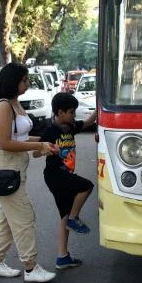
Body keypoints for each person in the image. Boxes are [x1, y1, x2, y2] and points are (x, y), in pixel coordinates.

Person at [0, 62, 59, 283]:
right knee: (24, 217)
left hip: (15, 165)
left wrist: (44, 142)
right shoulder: (4, 105)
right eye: (24, 80)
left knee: (6, 219)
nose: (27, 84)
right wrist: (39, 146)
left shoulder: (14, 103)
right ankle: (31, 267)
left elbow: (22, 138)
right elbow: (6, 143)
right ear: (13, 81)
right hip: (4, 164)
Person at [38, 92, 97, 270]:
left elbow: (87, 122)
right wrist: (46, 149)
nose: (73, 115)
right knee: (86, 186)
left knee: (64, 213)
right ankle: (74, 217)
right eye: (71, 112)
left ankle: (62, 256)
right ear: (59, 112)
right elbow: (36, 151)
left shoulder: (70, 127)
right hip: (55, 174)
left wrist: (99, 108)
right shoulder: (50, 130)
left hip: (64, 174)